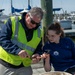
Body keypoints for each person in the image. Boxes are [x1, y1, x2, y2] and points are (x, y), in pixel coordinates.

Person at [0, 7, 44, 75]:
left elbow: (39, 48)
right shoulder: (12, 21)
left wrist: (37, 54)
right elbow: (2, 39)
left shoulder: (39, 32)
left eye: (37, 24)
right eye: (32, 22)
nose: (34, 25)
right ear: (27, 16)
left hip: (24, 67)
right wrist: (17, 51)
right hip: (6, 65)